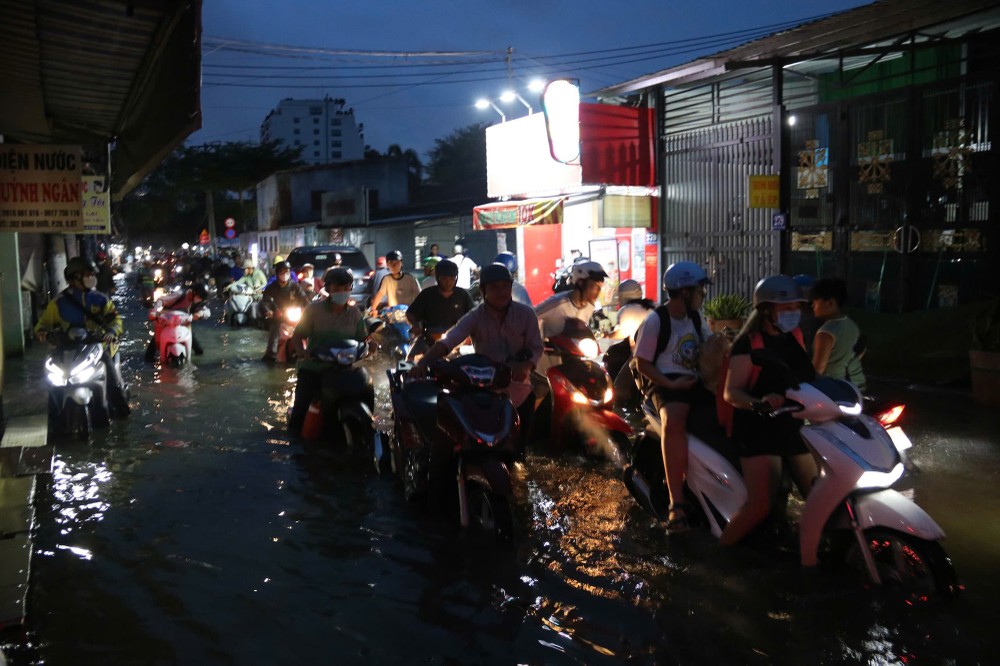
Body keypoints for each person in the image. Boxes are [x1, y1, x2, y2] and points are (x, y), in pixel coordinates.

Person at [719, 275, 818, 558]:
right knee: (761, 504)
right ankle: (719, 555)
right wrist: (759, 403)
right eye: (785, 308)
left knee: (819, 494)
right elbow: (731, 393)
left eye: (796, 307)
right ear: (766, 310)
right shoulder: (747, 344)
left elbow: (804, 377)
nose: (793, 313)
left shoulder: (794, 336)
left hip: (791, 422)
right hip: (757, 428)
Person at [412, 263, 543, 450]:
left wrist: (526, 365)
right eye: (494, 287)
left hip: (520, 390)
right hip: (486, 393)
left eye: (505, 286)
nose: (501, 292)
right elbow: (448, 341)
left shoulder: (526, 314)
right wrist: (423, 363)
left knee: (519, 449)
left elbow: (536, 347)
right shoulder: (475, 316)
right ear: (483, 290)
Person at [633, 262, 713, 532]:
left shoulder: (697, 319)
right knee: (675, 421)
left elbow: (710, 349)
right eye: (700, 291)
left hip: (694, 381)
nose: (703, 295)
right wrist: (670, 383)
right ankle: (676, 503)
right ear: (685, 292)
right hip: (663, 381)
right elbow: (643, 363)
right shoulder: (656, 321)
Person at [35, 256, 129, 416]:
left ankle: (123, 414)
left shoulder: (101, 299)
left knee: (113, 386)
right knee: (51, 385)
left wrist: (111, 332)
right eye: (87, 274)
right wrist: (42, 332)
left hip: (97, 349)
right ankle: (55, 420)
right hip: (67, 349)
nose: (91, 277)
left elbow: (116, 320)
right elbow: (43, 324)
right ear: (75, 277)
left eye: (92, 274)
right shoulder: (58, 303)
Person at [287, 267, 368, 436]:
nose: (342, 292)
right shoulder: (313, 310)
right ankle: (293, 438)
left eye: (346, 288)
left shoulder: (355, 314)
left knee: (365, 385)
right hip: (314, 368)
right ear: (328, 289)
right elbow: (297, 336)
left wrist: (369, 346)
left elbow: (362, 339)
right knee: (300, 410)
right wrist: (302, 351)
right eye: (337, 288)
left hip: (344, 369)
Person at [405, 259, 475, 360]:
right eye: (445, 279)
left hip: (457, 339)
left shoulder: (463, 295)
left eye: (452, 279)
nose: (449, 282)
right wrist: (415, 325)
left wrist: (469, 334)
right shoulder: (427, 294)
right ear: (438, 278)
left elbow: (473, 317)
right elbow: (410, 313)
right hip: (428, 338)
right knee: (410, 359)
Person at [809, 277, 866, 391]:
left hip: (828, 389)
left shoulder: (825, 332)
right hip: (849, 386)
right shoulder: (852, 326)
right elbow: (858, 355)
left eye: (815, 301)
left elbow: (817, 370)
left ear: (830, 303)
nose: (812, 306)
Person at [534, 260, 608, 339]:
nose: (598, 291)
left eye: (600, 287)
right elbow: (529, 315)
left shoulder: (590, 306)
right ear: (581, 283)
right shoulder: (558, 303)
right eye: (595, 286)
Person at [260, 261, 310, 363]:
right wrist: (269, 311)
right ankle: (271, 356)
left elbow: (304, 299)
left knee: (307, 330)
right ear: (277, 273)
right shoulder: (271, 288)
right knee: (274, 333)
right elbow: (265, 302)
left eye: (287, 271)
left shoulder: (295, 286)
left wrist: (309, 308)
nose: (285, 274)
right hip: (278, 317)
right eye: (282, 272)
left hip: (294, 316)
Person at [146, 282, 210, 361]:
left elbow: (207, 311)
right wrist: (154, 311)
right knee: (149, 357)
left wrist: (200, 314)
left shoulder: (197, 302)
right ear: (194, 292)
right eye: (199, 296)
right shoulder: (180, 294)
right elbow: (161, 300)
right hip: (165, 323)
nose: (199, 299)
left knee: (199, 351)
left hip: (183, 325)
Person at [368, 249, 421, 316]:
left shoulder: (410, 279)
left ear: (401, 263)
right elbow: (379, 295)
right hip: (393, 315)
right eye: (391, 263)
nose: (394, 265)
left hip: (409, 315)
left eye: (397, 263)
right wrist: (373, 309)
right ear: (387, 265)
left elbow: (420, 297)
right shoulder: (386, 280)